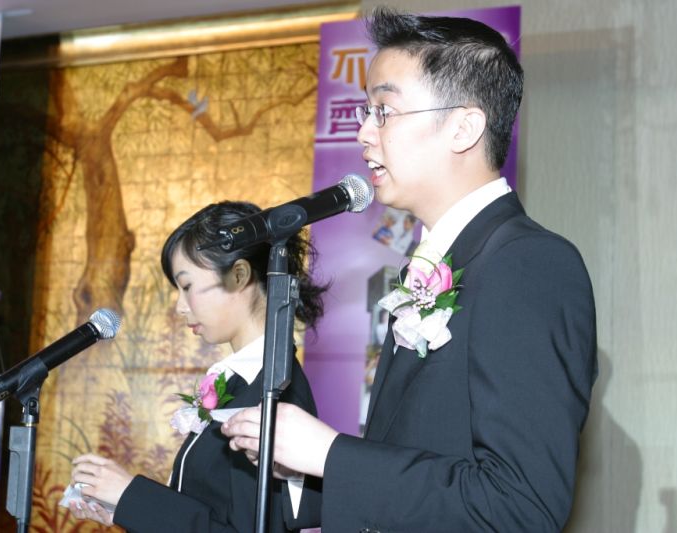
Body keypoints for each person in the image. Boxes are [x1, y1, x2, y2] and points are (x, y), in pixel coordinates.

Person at [223, 7, 597, 532]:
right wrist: (306, 468)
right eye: (365, 111)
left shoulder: (528, 263)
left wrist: (330, 453)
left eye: (383, 111)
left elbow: (521, 506)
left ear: (463, 127)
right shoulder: (439, 262)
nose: (362, 134)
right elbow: (413, 457)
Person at [68, 201, 325, 532]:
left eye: (187, 286)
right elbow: (209, 511)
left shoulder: (274, 394)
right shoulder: (243, 384)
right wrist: (127, 510)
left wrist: (132, 496)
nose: (180, 306)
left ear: (239, 275)